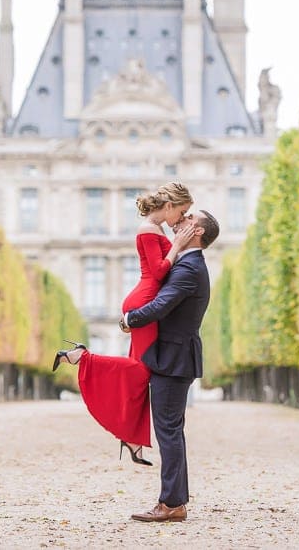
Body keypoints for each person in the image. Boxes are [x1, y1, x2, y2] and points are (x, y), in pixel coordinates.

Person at [52, 183, 196, 465]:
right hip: (145, 301)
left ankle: (133, 440)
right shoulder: (148, 229)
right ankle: (83, 357)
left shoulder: (157, 228)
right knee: (142, 370)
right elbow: (159, 271)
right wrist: (178, 246)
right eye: (181, 212)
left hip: (145, 299)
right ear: (169, 206)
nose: (181, 218)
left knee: (140, 374)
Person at [121, 209, 220, 523]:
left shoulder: (189, 268)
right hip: (173, 357)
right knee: (171, 430)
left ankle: (172, 504)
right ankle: (174, 501)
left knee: (168, 432)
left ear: (198, 231)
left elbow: (162, 305)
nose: (181, 219)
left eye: (189, 218)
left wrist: (130, 319)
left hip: (174, 360)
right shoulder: (186, 263)